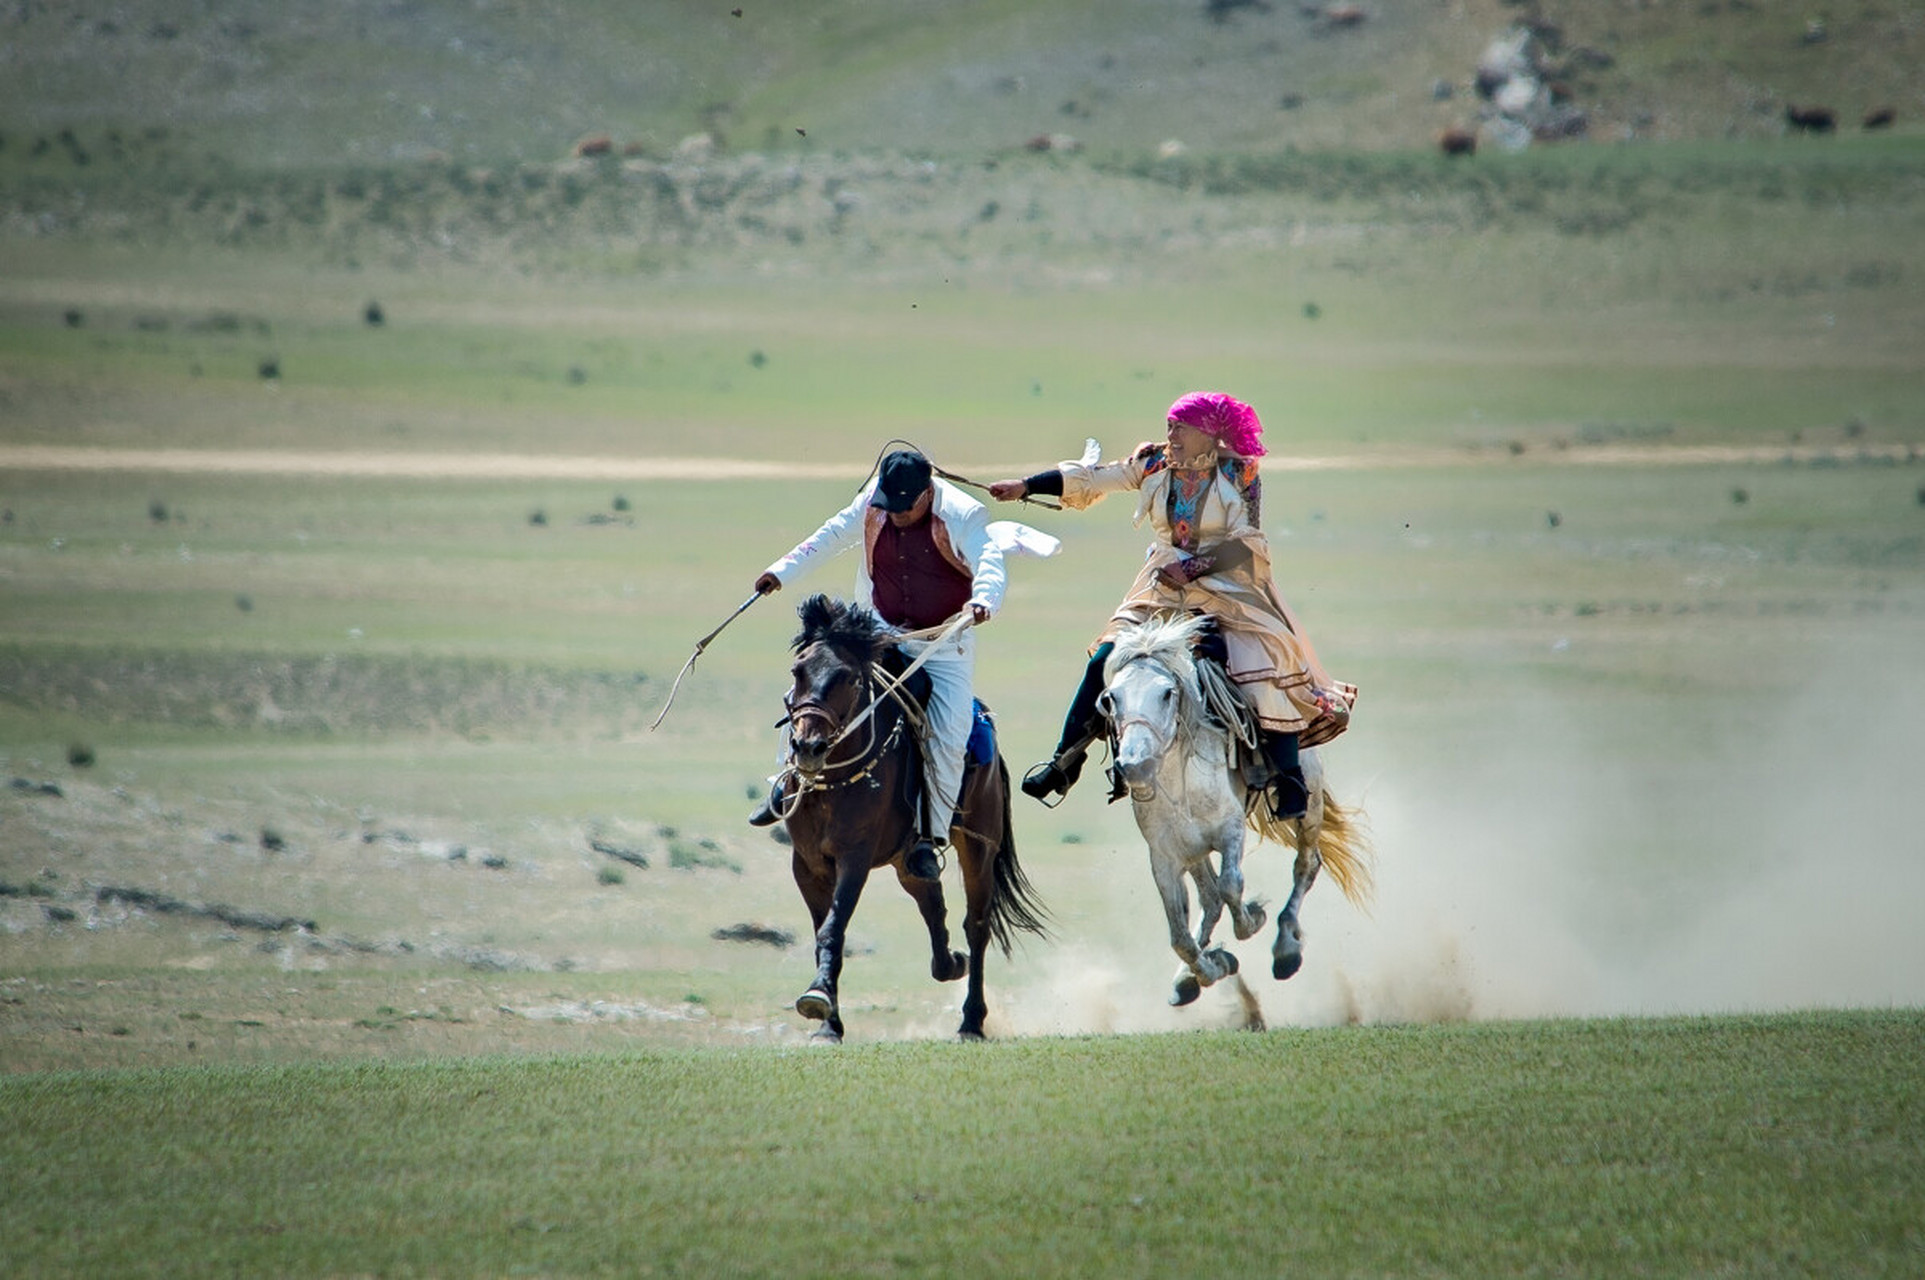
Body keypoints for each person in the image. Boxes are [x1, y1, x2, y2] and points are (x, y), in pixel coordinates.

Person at [987, 392, 1356, 817]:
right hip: (1160, 586)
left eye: (1181, 428)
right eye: (1169, 426)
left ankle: (1290, 781)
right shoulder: (1153, 462)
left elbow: (1249, 543)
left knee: (1267, 659)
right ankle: (1065, 762)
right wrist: (1025, 487)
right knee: (1104, 660)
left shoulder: (1239, 472)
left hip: (1228, 584)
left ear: (1209, 434)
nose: (1171, 435)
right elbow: (1095, 478)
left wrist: (1195, 567)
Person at [750, 448, 1004, 881]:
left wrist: (985, 600)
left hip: (941, 645)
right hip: (876, 631)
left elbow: (989, 561)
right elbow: (830, 534)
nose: (897, 515)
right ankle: (784, 784)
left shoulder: (964, 513)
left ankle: (929, 836)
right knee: (813, 680)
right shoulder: (875, 500)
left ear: (927, 493)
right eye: (891, 506)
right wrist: (781, 571)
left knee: (949, 731)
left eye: (905, 508)